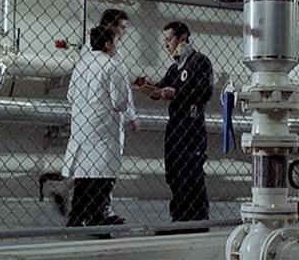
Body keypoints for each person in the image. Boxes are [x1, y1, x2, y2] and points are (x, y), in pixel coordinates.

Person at [134, 21, 214, 226]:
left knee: (191, 172)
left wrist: (177, 93)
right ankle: (179, 217)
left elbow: (205, 92)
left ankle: (197, 218)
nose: (165, 44)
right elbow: (159, 90)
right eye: (164, 40)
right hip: (175, 127)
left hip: (191, 127)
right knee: (174, 172)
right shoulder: (173, 69)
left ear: (183, 37)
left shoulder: (199, 62)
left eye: (169, 39)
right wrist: (145, 87)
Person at [61, 25, 133, 227]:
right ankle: (97, 218)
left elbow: (70, 96)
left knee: (84, 176)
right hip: (103, 128)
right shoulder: (113, 65)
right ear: (109, 44)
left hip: (82, 125)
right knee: (102, 176)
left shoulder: (81, 65)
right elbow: (119, 102)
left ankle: (76, 218)